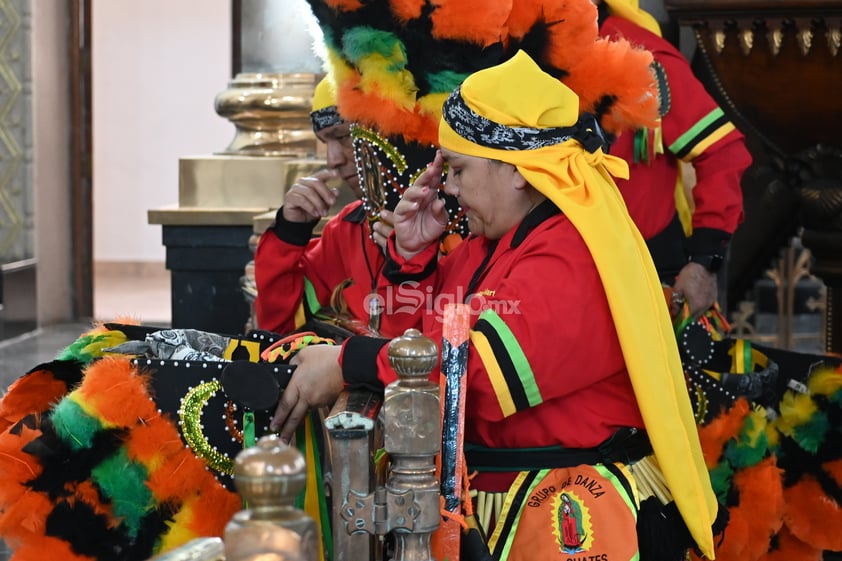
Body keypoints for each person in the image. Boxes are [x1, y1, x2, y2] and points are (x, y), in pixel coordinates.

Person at [270, 50, 722, 561]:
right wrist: (412, 260)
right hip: (500, 505)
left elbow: (475, 379)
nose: (451, 190)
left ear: (519, 171)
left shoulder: (572, 253)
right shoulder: (489, 246)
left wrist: (346, 363)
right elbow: (419, 345)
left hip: (572, 516)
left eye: (459, 170)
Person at [597, 0, 752, 319]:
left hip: (646, 278)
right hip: (560, 276)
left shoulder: (639, 56)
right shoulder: (514, 56)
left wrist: (704, 261)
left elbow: (724, 153)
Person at [254, 76, 415, 338]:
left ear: (389, 132)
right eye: (324, 142)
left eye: (343, 137)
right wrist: (288, 233)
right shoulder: (346, 231)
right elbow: (279, 331)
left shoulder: (458, 227)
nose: (333, 160)